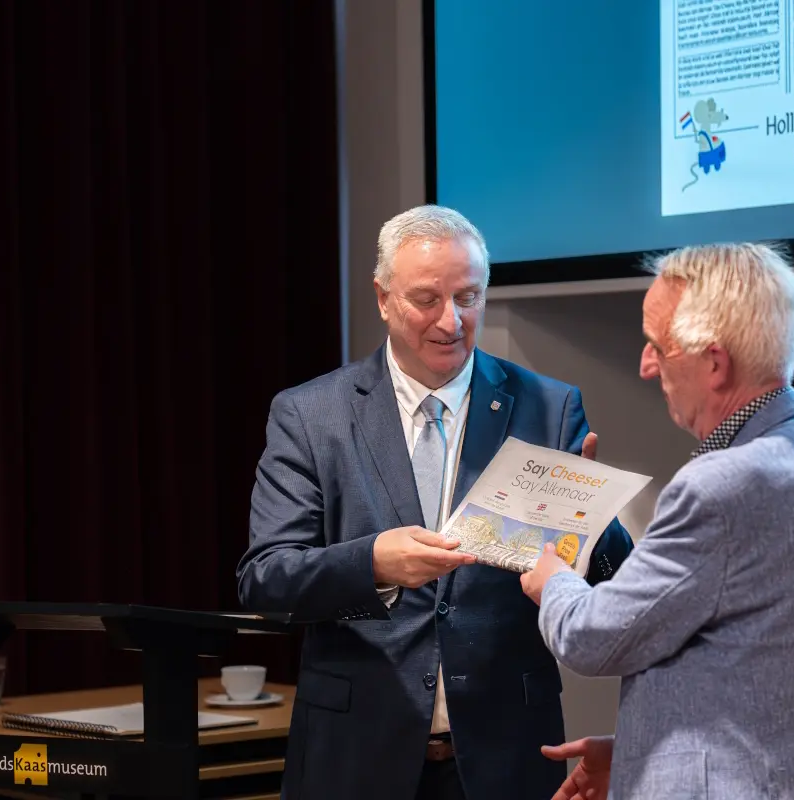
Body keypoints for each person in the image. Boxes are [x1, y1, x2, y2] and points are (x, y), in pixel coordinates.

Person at [236, 204, 635, 800]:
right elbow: (266, 578)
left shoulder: (549, 409)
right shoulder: (312, 416)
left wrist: (592, 515)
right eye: (427, 299)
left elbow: (617, 583)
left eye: (468, 298)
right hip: (355, 757)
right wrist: (373, 563)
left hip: (506, 759)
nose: (451, 321)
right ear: (383, 298)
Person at [521, 243, 794, 799]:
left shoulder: (723, 487)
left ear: (715, 363)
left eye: (658, 346)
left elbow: (593, 638)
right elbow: (777, 680)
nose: (646, 366)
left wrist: (552, 579)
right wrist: (640, 755)